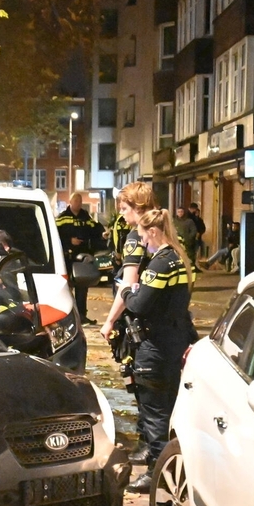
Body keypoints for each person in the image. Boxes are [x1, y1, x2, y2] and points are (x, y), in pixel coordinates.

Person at [118, 209, 198, 493]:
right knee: (170, 406)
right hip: (176, 340)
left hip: (155, 346)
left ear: (153, 232)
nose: (143, 244)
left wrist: (127, 290)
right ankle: (172, 466)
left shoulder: (160, 264)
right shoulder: (181, 259)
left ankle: (157, 473)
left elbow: (139, 305)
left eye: (143, 237)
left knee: (155, 413)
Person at [100, 181, 156, 465]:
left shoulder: (136, 237)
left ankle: (148, 445)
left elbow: (129, 283)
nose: (121, 214)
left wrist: (109, 321)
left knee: (139, 381)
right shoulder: (164, 234)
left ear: (139, 207)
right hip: (163, 321)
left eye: (124, 208)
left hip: (139, 322)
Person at [56, 193, 105, 325]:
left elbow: (95, 228)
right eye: (76, 201)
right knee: (66, 287)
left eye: (80, 201)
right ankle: (67, 316)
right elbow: (55, 236)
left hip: (82, 257)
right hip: (67, 258)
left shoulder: (85, 217)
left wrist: (103, 233)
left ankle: (82, 316)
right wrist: (69, 241)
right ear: (70, 202)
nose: (79, 203)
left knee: (82, 287)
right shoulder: (62, 218)